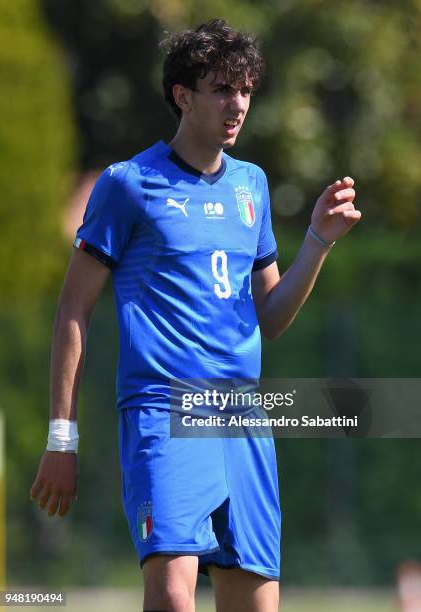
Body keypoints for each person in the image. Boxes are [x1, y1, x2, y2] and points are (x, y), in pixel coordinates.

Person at [30, 18, 361, 612]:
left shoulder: (252, 186)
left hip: (242, 418)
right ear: (183, 96)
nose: (238, 105)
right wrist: (62, 438)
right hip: (165, 410)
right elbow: (73, 311)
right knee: (173, 598)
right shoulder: (128, 185)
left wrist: (317, 239)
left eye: (245, 90)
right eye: (221, 89)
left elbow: (270, 317)